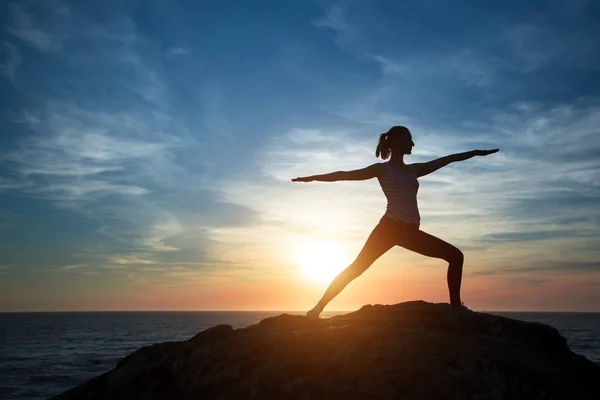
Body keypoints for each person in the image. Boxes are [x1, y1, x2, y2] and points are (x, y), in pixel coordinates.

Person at [291, 126, 499, 318]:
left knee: (455, 257)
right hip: (389, 228)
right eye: (409, 139)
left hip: (410, 232)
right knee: (356, 269)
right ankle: (316, 310)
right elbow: (344, 175)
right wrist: (312, 178)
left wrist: (474, 153)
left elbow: (446, 160)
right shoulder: (382, 170)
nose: (413, 144)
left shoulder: (414, 170)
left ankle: (456, 309)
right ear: (397, 141)